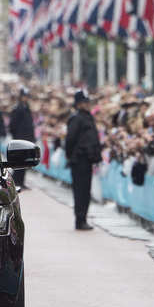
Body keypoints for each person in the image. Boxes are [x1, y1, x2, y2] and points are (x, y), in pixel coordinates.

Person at [65, 90, 101, 231]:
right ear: (79, 104)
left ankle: (83, 218)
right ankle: (80, 219)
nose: (87, 105)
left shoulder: (88, 117)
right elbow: (70, 140)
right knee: (80, 191)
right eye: (85, 102)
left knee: (85, 190)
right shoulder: (77, 118)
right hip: (79, 159)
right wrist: (71, 156)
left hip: (88, 159)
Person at [8, 87, 34, 190]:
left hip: (27, 139)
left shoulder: (26, 108)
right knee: (19, 162)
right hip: (20, 138)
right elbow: (12, 125)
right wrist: (16, 137)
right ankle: (16, 181)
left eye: (27, 96)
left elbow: (30, 125)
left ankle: (21, 181)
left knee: (25, 162)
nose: (25, 98)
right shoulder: (17, 108)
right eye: (24, 96)